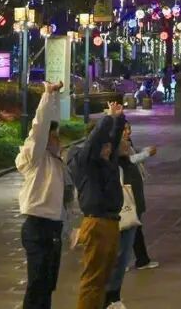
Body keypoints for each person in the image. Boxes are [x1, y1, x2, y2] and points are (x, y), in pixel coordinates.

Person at [16, 81, 68, 309]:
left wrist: (55, 96)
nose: (59, 141)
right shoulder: (36, 157)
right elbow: (40, 126)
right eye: (54, 137)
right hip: (37, 226)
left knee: (48, 284)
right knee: (37, 283)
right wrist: (46, 96)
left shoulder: (57, 162)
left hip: (54, 227)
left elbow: (52, 122)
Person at [73, 101, 126, 309]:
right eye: (104, 145)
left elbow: (113, 139)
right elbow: (95, 141)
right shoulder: (87, 161)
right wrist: (108, 118)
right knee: (93, 280)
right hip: (97, 223)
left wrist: (118, 120)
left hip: (110, 222)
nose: (108, 147)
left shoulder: (106, 162)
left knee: (103, 279)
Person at [104, 123, 151, 309]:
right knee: (117, 255)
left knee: (123, 253)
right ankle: (109, 298)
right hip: (118, 212)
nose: (127, 139)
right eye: (123, 135)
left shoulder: (125, 162)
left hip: (129, 209)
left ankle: (114, 297)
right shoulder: (111, 164)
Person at [124, 125, 159, 271]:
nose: (128, 131)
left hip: (133, 189)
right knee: (128, 226)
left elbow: (132, 154)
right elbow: (128, 160)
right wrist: (146, 154)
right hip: (127, 191)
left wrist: (144, 151)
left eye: (129, 128)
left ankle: (141, 259)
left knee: (134, 225)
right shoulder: (116, 145)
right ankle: (129, 260)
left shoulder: (126, 143)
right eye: (124, 129)